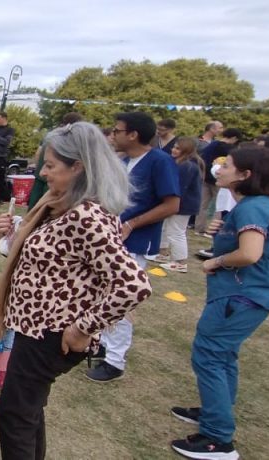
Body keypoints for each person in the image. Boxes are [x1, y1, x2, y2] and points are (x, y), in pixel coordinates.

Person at [0, 122, 151, 459]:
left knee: (14, 416)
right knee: (27, 411)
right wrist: (8, 237)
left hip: (49, 335)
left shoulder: (86, 215)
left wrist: (84, 327)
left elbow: (133, 284)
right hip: (35, 329)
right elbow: (49, 260)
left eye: (51, 165)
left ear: (77, 166)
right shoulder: (61, 205)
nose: (42, 173)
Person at [169, 146, 269, 460]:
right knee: (223, 355)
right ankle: (215, 410)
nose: (219, 169)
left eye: (227, 165)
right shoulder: (252, 206)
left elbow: (250, 253)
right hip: (245, 294)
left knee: (209, 355)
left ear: (245, 175)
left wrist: (216, 261)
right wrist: (222, 232)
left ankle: (217, 439)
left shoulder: (253, 208)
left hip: (240, 296)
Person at [89, 112, 180, 383]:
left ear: (133, 135)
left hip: (134, 243)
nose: (113, 135)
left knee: (120, 297)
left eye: (117, 130)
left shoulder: (160, 161)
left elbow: (171, 204)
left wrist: (132, 224)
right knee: (101, 294)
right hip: (111, 239)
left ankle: (115, 360)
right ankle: (102, 343)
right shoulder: (124, 161)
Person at [154, 137, 203, 273]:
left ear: (186, 151)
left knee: (176, 232)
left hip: (183, 205)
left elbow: (180, 187)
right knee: (166, 228)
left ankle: (180, 262)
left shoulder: (187, 166)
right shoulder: (181, 164)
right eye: (174, 147)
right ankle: (163, 253)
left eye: (178, 148)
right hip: (179, 203)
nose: (173, 150)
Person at [28, 112, 82, 209]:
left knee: (37, 204)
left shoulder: (52, 135)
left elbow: (38, 153)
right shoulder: (67, 140)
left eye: (49, 165)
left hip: (42, 179)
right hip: (51, 180)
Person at [197, 129, 243, 236]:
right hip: (220, 179)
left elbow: (202, 157)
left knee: (202, 205)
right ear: (234, 138)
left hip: (206, 177)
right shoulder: (231, 150)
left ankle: (199, 227)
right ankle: (213, 230)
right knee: (220, 206)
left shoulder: (212, 144)